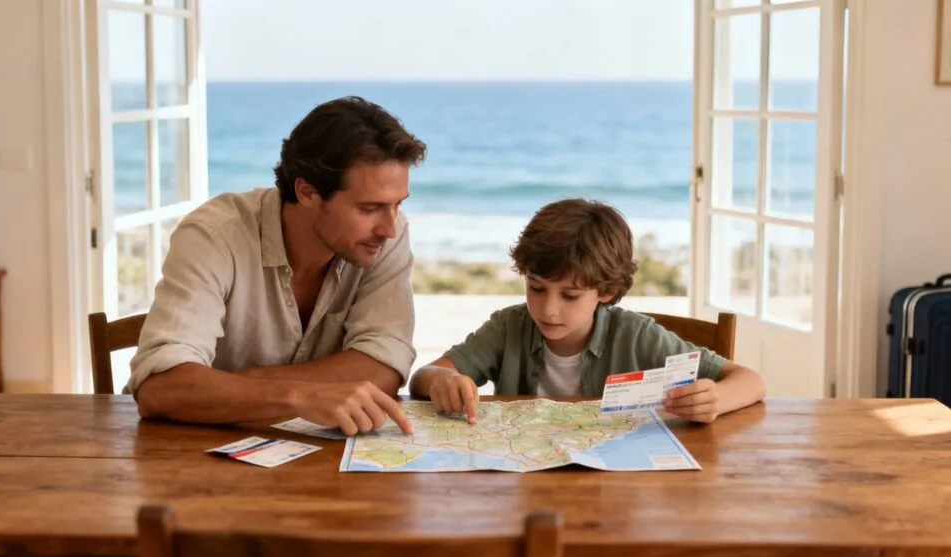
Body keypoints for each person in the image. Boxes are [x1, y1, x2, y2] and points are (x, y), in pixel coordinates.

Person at [126, 96, 427, 436]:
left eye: (397, 205)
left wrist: (226, 385)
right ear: (307, 192)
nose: (389, 227)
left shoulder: (386, 235)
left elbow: (383, 368)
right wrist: (298, 395)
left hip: (314, 462)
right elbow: (161, 389)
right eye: (369, 208)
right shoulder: (214, 236)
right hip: (191, 457)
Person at [409, 198, 765, 424]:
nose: (548, 309)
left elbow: (750, 380)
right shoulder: (508, 326)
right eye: (536, 288)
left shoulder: (638, 336)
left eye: (570, 295)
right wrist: (445, 380)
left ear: (607, 291)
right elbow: (423, 376)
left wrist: (716, 398)